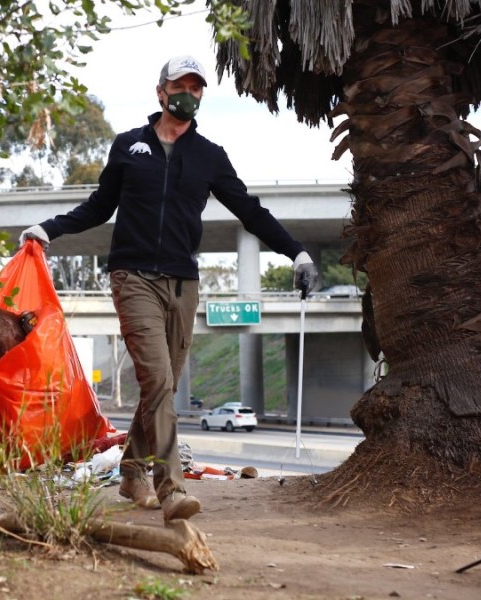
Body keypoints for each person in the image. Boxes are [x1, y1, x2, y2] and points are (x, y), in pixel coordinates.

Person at [19, 55, 319, 522]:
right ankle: (172, 489)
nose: (189, 95)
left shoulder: (209, 156)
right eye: (180, 86)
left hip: (184, 283)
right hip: (133, 277)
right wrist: (49, 228)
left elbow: (250, 212)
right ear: (161, 92)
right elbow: (99, 206)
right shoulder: (129, 145)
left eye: (196, 88)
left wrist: (296, 252)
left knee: (164, 386)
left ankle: (130, 473)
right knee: (158, 381)